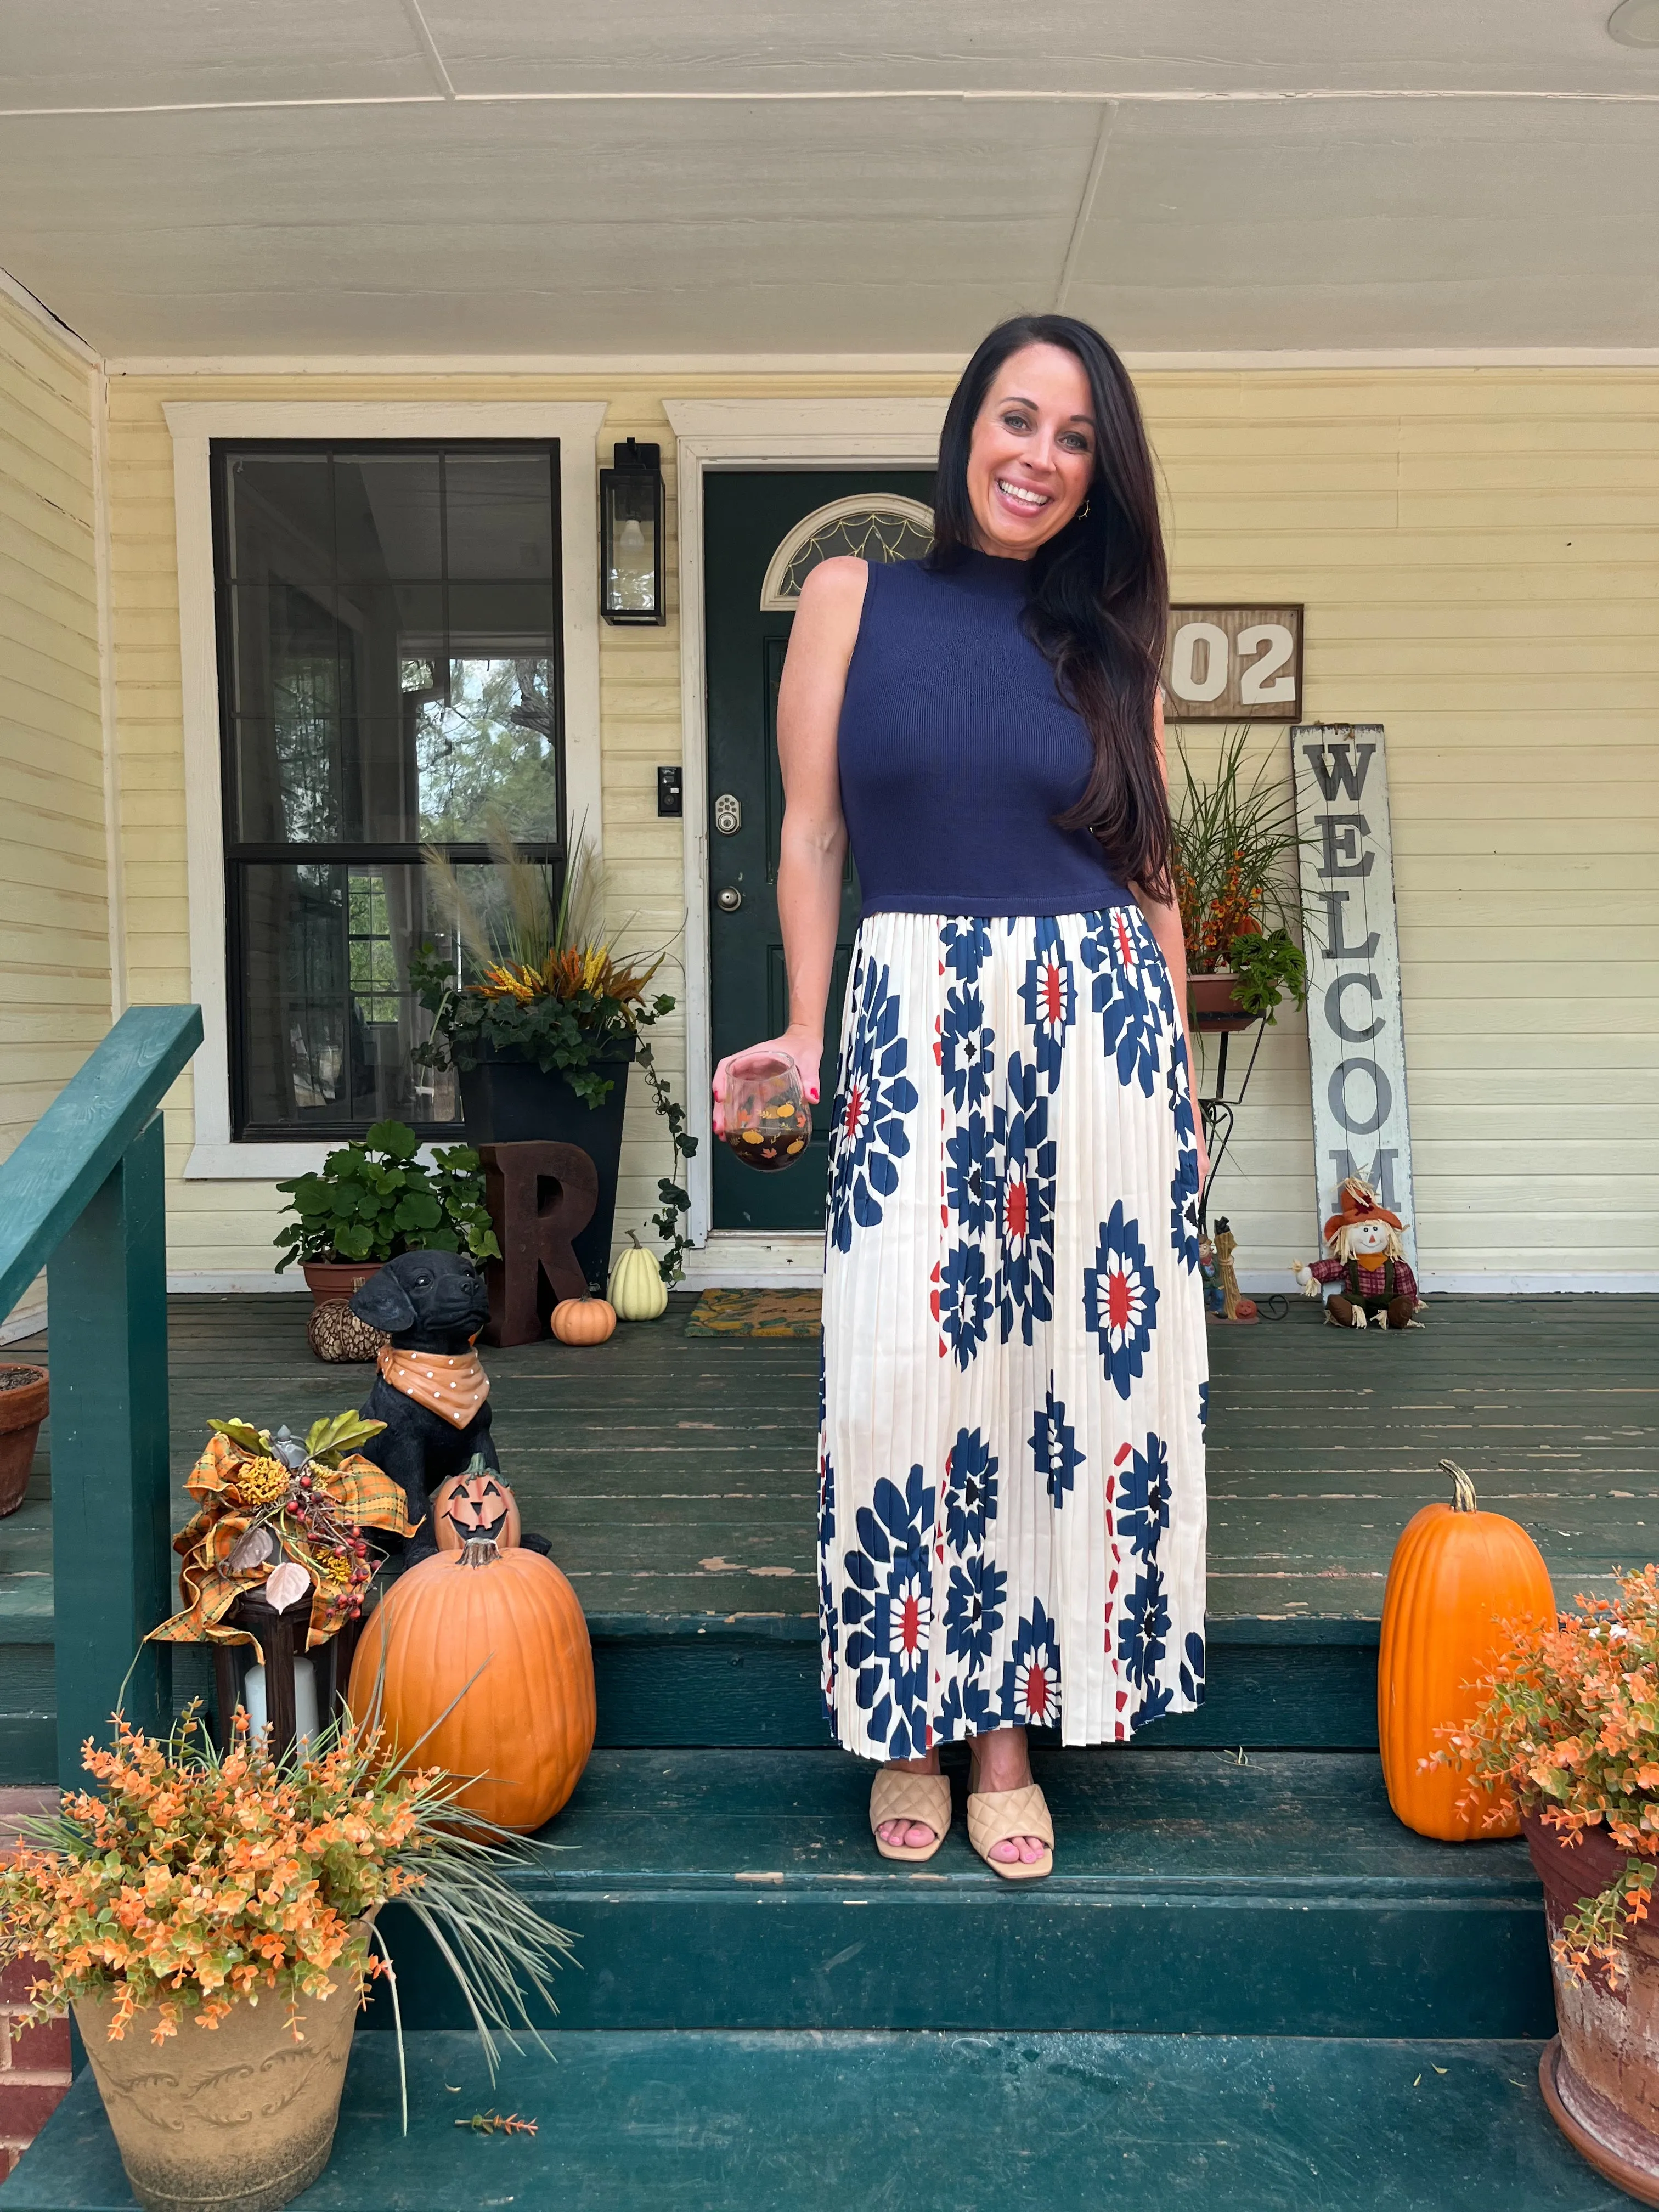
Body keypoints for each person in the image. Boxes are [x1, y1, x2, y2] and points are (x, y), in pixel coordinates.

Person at [713, 314, 1209, 1880]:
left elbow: (1149, 867)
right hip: (917, 1015)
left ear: (1096, 477)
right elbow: (809, 838)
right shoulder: (856, 595)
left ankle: (1009, 1733)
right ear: (966, 429)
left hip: (1096, 1024)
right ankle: (909, 1719)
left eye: (1075, 439)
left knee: (1058, 1379)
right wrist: (805, 1032)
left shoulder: (1110, 641)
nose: (1039, 458)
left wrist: (1182, 1094)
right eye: (1019, 419)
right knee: (903, 1371)